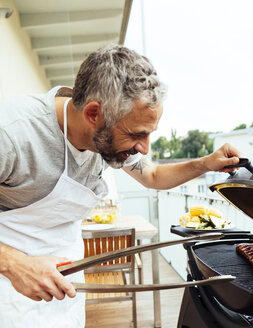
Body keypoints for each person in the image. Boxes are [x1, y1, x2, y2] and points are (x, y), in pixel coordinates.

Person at [0, 44, 240, 327]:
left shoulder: (109, 133)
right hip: (9, 284)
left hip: (64, 276)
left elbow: (152, 176)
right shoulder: (12, 131)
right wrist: (14, 264)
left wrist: (205, 164)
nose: (144, 148)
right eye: (137, 135)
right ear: (93, 114)